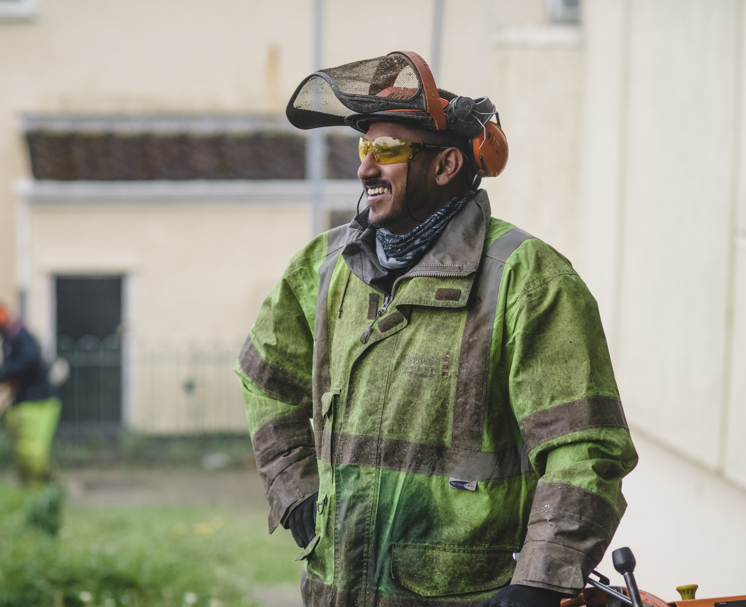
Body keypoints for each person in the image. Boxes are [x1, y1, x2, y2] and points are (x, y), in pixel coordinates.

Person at [236, 51, 638, 607]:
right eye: (364, 147)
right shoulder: (324, 268)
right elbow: (263, 378)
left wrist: (541, 580)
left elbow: (586, 447)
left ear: (446, 166)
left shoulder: (527, 280)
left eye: (388, 151)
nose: (365, 168)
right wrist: (295, 488)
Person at [0, 301, 61, 487]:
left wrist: (6, 369)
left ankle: (47, 489)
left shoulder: (20, 335)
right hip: (21, 402)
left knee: (33, 452)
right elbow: (4, 374)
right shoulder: (7, 339)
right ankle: (33, 492)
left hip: (38, 401)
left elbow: (30, 361)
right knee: (23, 454)